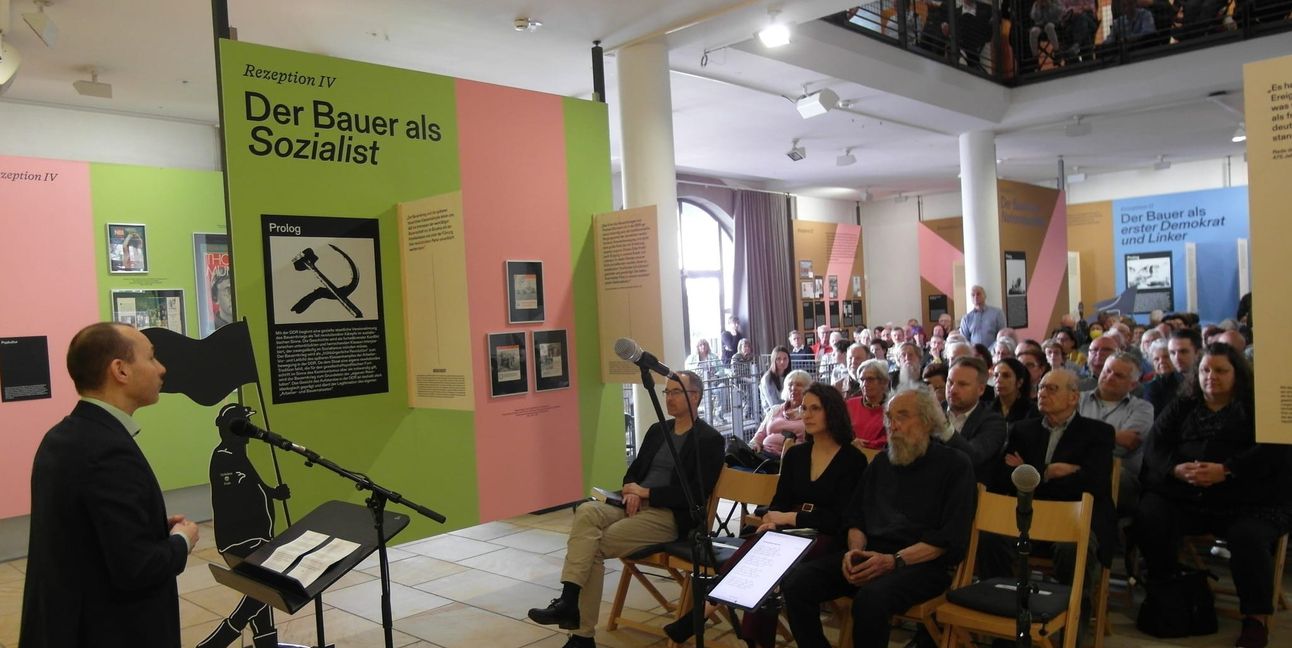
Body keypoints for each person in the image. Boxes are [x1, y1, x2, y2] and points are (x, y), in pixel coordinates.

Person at [20, 322, 200, 647]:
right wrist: (181, 541)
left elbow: (87, 535)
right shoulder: (107, 450)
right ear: (121, 370)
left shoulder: (64, 436)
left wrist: (149, 527)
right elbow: (137, 569)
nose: (162, 369)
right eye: (151, 357)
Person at [528, 371, 724, 648]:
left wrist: (648, 493)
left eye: (675, 392)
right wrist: (632, 488)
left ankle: (581, 634)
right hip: (633, 505)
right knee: (586, 511)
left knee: (593, 547)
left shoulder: (709, 440)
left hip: (668, 515)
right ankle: (569, 600)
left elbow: (694, 495)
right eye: (666, 393)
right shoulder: (659, 431)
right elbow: (632, 472)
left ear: (695, 397)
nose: (668, 398)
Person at [664, 383, 867, 647]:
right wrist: (773, 520)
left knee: (766, 567)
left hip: (827, 539)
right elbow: (779, 503)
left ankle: (706, 617)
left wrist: (787, 518)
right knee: (757, 553)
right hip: (790, 532)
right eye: (804, 408)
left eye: (815, 408)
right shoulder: (796, 454)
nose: (807, 415)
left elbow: (838, 519)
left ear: (833, 412)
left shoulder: (852, 459)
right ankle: (749, 638)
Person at [783, 386, 976, 648]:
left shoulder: (955, 465)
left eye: (902, 417)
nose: (892, 425)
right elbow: (855, 517)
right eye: (889, 417)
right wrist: (855, 553)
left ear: (928, 421)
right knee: (796, 582)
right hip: (869, 557)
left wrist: (892, 561)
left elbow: (949, 540)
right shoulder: (883, 463)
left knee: (870, 599)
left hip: (919, 565)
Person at [1136, 344, 1292, 648]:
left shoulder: (1256, 406)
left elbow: (1274, 451)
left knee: (1247, 537)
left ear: (1237, 374)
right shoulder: (1184, 404)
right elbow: (1155, 444)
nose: (1212, 377)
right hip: (1188, 494)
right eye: (1206, 370)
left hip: (1247, 498)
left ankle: (1255, 619)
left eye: (1221, 371)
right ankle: (1168, 589)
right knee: (1151, 514)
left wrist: (1228, 470)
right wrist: (1176, 469)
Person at [984, 369, 1116, 636]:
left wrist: (1029, 472)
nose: (1042, 393)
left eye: (1052, 389)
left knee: (1072, 549)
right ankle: (1003, 616)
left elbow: (1094, 483)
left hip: (1074, 519)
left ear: (1073, 397)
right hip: (1030, 516)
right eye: (1041, 387)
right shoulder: (1023, 430)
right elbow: (1002, 476)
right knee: (990, 539)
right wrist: (1048, 471)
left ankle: (1071, 628)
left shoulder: (1098, 433)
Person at [200, 404, 292, 648]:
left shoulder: (238, 456)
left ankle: (265, 642)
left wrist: (274, 493)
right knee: (264, 588)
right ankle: (219, 640)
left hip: (256, 535)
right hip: (243, 538)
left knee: (259, 588)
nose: (250, 431)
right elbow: (237, 497)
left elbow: (255, 486)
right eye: (245, 425)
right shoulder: (224, 457)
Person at [1077, 351, 1153, 516]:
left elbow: (1128, 444)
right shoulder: (1076, 399)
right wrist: (1110, 436)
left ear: (1133, 385)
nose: (1110, 377)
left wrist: (1081, 434)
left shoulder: (1143, 408)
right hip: (1075, 468)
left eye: (1119, 375)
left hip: (1118, 476)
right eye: (1107, 371)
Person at [937, 357, 1009, 483]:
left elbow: (973, 456)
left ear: (981, 389)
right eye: (950, 382)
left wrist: (943, 425)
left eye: (962, 384)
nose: (953, 390)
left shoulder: (993, 421)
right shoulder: (935, 411)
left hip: (967, 491)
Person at [749, 370, 812, 460]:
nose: (793, 388)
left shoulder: (810, 414)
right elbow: (759, 436)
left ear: (808, 389)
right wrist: (754, 445)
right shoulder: (775, 409)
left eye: (799, 385)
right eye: (790, 385)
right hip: (763, 455)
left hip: (789, 461)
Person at [1143, 328, 1201, 415]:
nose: (1177, 358)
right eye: (1172, 353)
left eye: (1183, 351)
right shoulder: (1157, 386)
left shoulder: (1208, 378)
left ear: (1198, 353)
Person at [846, 359, 891, 449]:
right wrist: (850, 442)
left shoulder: (893, 407)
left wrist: (866, 445)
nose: (865, 384)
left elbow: (892, 437)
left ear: (884, 382)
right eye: (862, 380)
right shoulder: (849, 404)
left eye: (870, 379)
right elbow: (839, 431)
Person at [988, 357, 1039, 427]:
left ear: (1019, 382)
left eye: (1006, 376)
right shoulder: (987, 409)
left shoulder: (1031, 411)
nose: (998, 380)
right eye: (996, 375)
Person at [761, 345, 792, 413]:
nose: (782, 362)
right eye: (778, 359)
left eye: (785, 358)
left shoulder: (790, 376)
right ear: (773, 360)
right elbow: (774, 404)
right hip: (773, 415)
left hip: (787, 411)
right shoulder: (767, 378)